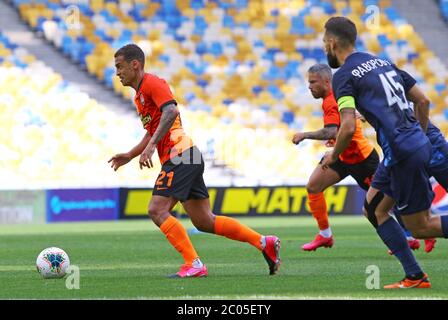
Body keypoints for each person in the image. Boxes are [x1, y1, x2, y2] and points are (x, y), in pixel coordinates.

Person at [108, 44, 281, 278]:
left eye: (119, 67)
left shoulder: (152, 83)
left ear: (134, 64)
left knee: (157, 210)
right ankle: (264, 242)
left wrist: (150, 147)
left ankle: (194, 264)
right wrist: (131, 154)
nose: (117, 72)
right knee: (204, 221)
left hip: (180, 155)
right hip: (186, 155)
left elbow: (171, 112)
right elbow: (152, 131)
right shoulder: (139, 96)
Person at [321, 16, 448, 289]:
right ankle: (414, 275)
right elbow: (423, 100)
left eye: (324, 43)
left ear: (332, 42)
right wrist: (418, 135)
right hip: (407, 147)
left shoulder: (343, 76)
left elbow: (346, 127)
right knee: (374, 209)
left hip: (402, 151)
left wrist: (333, 157)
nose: (324, 49)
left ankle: (415, 276)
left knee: (420, 227)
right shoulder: (382, 62)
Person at [292, 63, 379, 251]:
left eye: (313, 82)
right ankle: (325, 235)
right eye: (309, 82)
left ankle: (411, 233)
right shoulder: (333, 98)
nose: (309, 86)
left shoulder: (332, 100)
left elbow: (330, 132)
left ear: (326, 81)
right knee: (313, 186)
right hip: (341, 156)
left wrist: (304, 135)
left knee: (382, 201)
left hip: (361, 158)